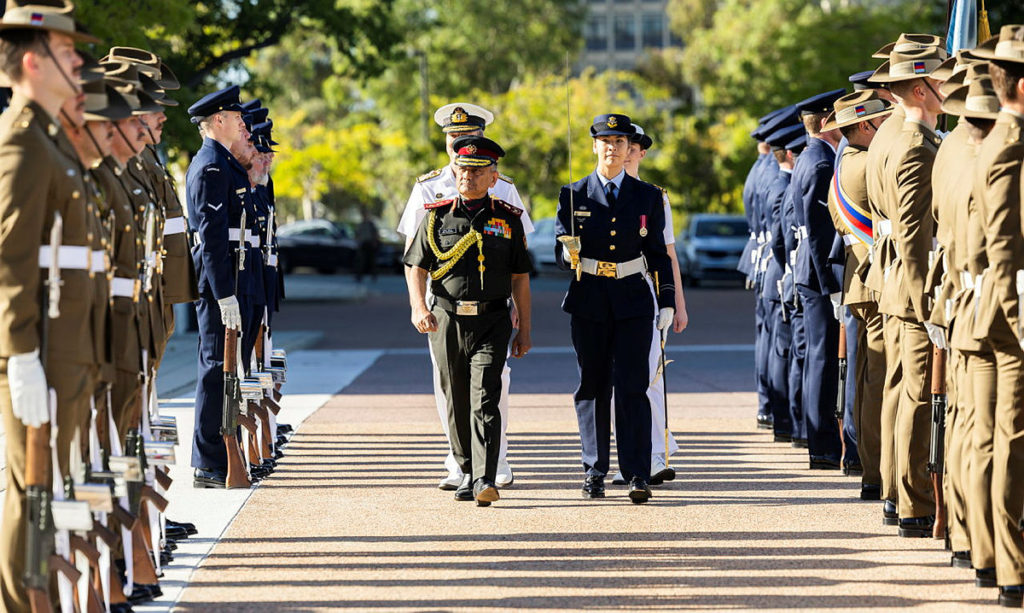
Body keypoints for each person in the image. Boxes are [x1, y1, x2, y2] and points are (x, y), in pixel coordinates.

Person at [0, 3, 98, 610]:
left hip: (65, 347)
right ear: (34, 61)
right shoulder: (22, 140)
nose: (79, 62)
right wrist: (20, 354)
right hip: (39, 350)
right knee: (28, 497)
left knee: (44, 492)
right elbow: (8, 256)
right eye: (68, 53)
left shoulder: (48, 137)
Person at [397, 102, 532, 490]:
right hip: (443, 309)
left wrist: (521, 315)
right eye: (453, 138)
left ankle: (495, 459)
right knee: (449, 386)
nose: (460, 144)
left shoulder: (503, 188)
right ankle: (460, 463)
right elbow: (414, 255)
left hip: (491, 307)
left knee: (493, 383)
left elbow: (518, 259)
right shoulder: (427, 187)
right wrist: (418, 305)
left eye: (467, 136)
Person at [555, 113, 674, 504]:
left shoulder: (647, 196)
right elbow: (561, 249)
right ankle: (594, 471)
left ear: (629, 150)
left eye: (620, 142)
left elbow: (657, 254)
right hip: (589, 297)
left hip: (633, 299)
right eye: (606, 141)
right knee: (592, 386)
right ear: (594, 146)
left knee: (632, 387)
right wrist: (565, 250)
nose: (612, 148)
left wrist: (668, 300)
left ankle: (637, 472)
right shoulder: (573, 194)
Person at [869, 44, 947, 539]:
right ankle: (915, 502)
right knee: (917, 395)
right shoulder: (916, 144)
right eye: (943, 80)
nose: (951, 89)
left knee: (900, 391)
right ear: (921, 88)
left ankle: (897, 495)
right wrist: (926, 307)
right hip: (911, 284)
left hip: (892, 280)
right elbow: (916, 235)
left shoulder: (891, 136)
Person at [970, 24, 1024, 607]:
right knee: (1011, 440)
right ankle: (1012, 566)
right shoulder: (1007, 144)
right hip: (1012, 321)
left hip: (1005, 314)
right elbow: (1004, 249)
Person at [607, 124, 688, 486]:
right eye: (624, 146)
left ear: (640, 153)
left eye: (634, 148)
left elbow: (667, 255)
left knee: (651, 375)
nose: (627, 154)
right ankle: (629, 455)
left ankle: (655, 452)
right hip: (608, 297)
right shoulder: (598, 192)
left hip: (647, 294)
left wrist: (677, 304)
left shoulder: (655, 197)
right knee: (613, 379)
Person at [185, 85, 258, 488]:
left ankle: (217, 451)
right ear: (217, 121)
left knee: (226, 368)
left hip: (231, 273)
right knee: (215, 367)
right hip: (219, 278)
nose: (242, 123)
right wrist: (223, 292)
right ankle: (207, 460)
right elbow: (212, 239)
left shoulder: (223, 163)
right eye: (236, 117)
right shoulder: (211, 165)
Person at [822, 90, 893, 500]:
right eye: (883, 119)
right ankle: (879, 469)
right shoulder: (866, 164)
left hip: (859, 281)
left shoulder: (845, 161)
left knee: (868, 380)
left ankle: (871, 468)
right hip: (877, 279)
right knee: (879, 382)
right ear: (865, 125)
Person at [790, 88, 846, 470]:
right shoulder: (821, 162)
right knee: (823, 359)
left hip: (811, 272)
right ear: (826, 121)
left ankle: (821, 442)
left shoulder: (811, 157)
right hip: (818, 274)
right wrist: (831, 285)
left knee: (819, 357)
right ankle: (822, 445)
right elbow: (817, 231)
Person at [355, 207, 380, 282]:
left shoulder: (371, 224)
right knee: (361, 261)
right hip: (363, 244)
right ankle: (359, 276)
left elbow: (375, 234)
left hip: (370, 244)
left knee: (371, 261)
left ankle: (374, 276)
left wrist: (375, 242)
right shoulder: (361, 224)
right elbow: (357, 234)